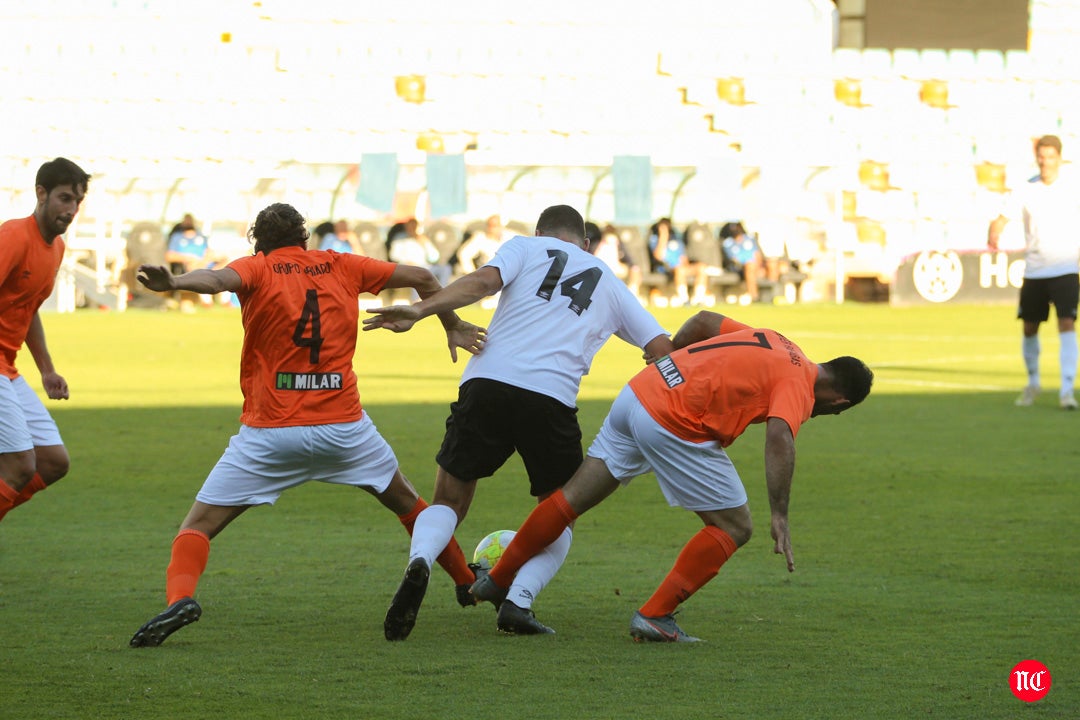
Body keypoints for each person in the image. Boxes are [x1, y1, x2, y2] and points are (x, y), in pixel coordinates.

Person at [128, 202, 486, 648]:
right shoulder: (342, 264)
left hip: (270, 431)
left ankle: (179, 599)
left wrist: (175, 282)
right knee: (408, 503)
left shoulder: (257, 268)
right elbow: (422, 277)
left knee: (197, 526)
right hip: (345, 428)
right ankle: (463, 579)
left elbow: (218, 280)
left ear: (258, 242)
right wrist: (449, 323)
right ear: (304, 239)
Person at [362, 204, 674, 639]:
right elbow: (663, 347)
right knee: (559, 514)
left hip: (487, 382)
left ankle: (420, 561)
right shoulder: (610, 282)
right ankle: (517, 602)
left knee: (449, 502)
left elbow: (482, 283)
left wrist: (423, 310)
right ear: (585, 243)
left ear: (541, 231)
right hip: (551, 399)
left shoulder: (525, 247)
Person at [471, 310, 874, 642]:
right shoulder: (800, 383)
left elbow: (702, 321)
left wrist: (676, 364)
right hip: (672, 419)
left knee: (572, 497)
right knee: (734, 525)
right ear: (839, 401)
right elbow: (780, 436)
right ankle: (655, 616)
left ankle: (499, 578)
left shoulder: (778, 340)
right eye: (834, 411)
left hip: (640, 392)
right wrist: (780, 514)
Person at [0, 157, 90, 524]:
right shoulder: (13, 237)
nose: (70, 210)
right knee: (21, 464)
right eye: (64, 198)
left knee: (53, 461)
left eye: (77, 202)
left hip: (8, 368)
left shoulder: (56, 248)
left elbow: (28, 307)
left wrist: (47, 371)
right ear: (41, 193)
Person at [987, 134, 1080, 409]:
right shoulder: (1026, 189)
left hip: (1065, 268)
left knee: (1067, 323)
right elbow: (1003, 217)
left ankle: (1066, 391)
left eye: (1051, 156)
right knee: (1029, 328)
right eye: (1042, 155)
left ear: (1059, 158)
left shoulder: (1072, 186)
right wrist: (994, 232)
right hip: (1035, 271)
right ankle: (1033, 382)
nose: (1045, 161)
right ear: (1037, 157)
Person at [165, 214, 228, 312]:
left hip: (206, 264)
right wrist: (189, 258)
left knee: (226, 262)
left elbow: (209, 252)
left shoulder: (201, 237)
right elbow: (170, 256)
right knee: (196, 268)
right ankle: (206, 301)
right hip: (190, 267)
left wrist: (209, 259)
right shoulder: (177, 237)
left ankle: (225, 300)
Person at [647, 217, 707, 307]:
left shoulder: (676, 240)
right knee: (680, 270)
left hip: (681, 267)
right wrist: (663, 236)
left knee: (701, 267)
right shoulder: (654, 239)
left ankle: (698, 298)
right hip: (667, 269)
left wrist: (686, 264)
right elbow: (658, 256)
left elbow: (683, 257)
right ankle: (684, 299)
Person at [591, 223, 643, 300]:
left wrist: (633, 267)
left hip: (616, 268)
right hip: (600, 268)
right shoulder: (597, 245)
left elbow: (629, 259)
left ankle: (632, 294)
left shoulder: (619, 245)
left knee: (635, 269)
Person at [720, 221, 767, 303]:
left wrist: (758, 266)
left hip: (755, 267)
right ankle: (754, 296)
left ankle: (774, 295)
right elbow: (734, 260)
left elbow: (757, 254)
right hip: (739, 268)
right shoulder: (728, 243)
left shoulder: (749, 239)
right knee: (749, 267)